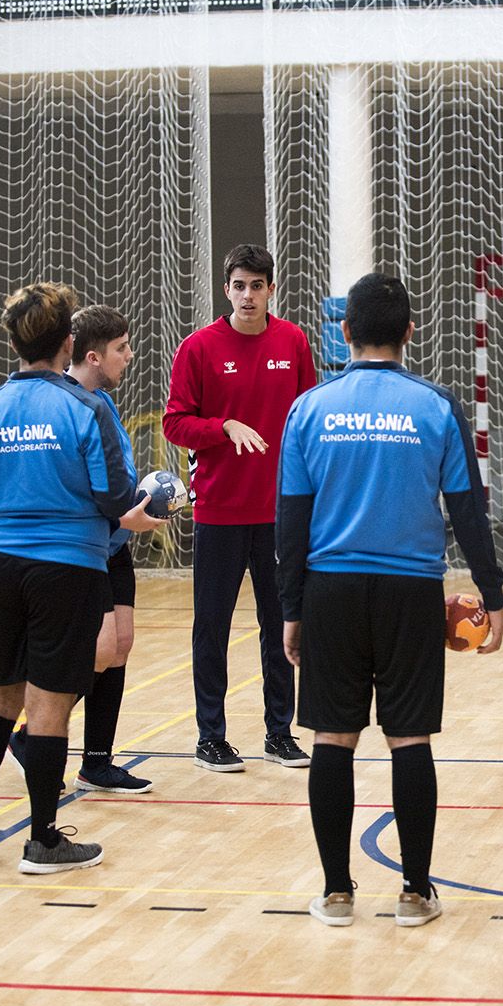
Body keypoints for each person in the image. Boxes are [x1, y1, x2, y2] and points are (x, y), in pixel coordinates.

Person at [276, 272, 503, 929]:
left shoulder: (309, 410)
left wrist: (292, 608)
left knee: (332, 738)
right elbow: (468, 510)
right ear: (409, 331)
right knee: (409, 739)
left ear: (343, 331)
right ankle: (413, 892)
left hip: (330, 590)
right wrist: (492, 595)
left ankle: (337, 893)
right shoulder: (436, 406)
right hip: (410, 593)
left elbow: (290, 521)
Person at [0, 283, 165, 874]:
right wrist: (147, 509)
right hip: (68, 567)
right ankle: (43, 839)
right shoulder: (84, 409)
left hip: (2, 565)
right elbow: (114, 497)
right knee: (47, 706)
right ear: (69, 343)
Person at [164, 244, 317, 773]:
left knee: (282, 626)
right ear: (225, 289)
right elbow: (175, 422)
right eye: (238, 285)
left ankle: (281, 733)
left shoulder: (292, 341)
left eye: (257, 285)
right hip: (220, 512)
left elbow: (308, 420)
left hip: (280, 516)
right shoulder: (199, 348)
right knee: (213, 626)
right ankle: (212, 737)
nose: (247, 295)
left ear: (271, 288)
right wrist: (223, 427)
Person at [9, 305, 156, 794]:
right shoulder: (69, 405)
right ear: (93, 355)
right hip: (85, 548)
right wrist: (125, 511)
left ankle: (97, 761)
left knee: (120, 646)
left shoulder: (104, 404)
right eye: (121, 348)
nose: (129, 357)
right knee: (95, 651)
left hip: (116, 544)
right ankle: (32, 737)